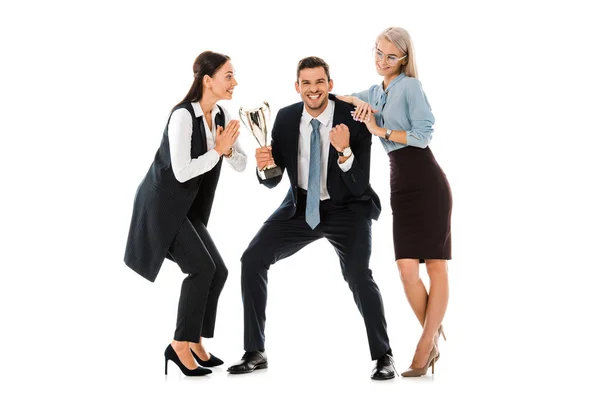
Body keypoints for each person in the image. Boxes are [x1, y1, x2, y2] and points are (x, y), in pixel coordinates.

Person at [227, 56, 396, 380]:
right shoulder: (288, 118)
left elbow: (360, 183)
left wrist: (345, 152)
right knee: (252, 259)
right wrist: (265, 166)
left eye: (319, 82)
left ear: (330, 86)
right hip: (300, 207)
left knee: (359, 276)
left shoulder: (354, 117)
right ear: (297, 87)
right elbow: (275, 178)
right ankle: (255, 351)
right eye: (306, 83)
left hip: (348, 208)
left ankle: (383, 356)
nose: (313, 89)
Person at [337, 27, 452, 377]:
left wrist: (379, 130)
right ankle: (432, 337)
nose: (382, 61)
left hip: (427, 180)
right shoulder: (375, 92)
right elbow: (343, 100)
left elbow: (424, 133)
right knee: (406, 270)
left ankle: (425, 343)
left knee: (435, 266)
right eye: (377, 52)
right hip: (399, 183)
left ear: (403, 59)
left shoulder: (410, 87)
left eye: (390, 56)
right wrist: (318, 91)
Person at [123, 51, 247, 376]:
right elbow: (181, 172)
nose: (235, 82)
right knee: (201, 269)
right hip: (163, 206)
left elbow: (241, 163)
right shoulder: (182, 116)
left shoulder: (220, 115)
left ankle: (193, 341)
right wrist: (217, 151)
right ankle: (179, 344)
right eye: (229, 75)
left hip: (185, 209)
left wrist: (228, 150)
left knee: (217, 271)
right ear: (208, 80)